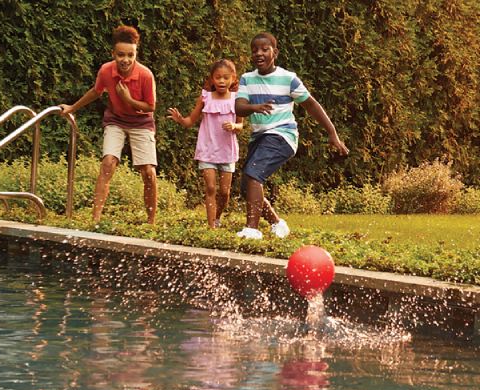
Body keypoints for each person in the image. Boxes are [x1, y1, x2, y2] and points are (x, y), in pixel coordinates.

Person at [235, 33, 349, 240]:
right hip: (259, 138)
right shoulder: (247, 79)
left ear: (274, 53)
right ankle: (278, 224)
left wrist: (332, 133)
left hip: (282, 136)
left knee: (253, 174)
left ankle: (252, 230)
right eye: (254, 50)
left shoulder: (289, 79)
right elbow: (239, 107)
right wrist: (255, 107)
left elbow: (311, 105)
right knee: (247, 186)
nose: (259, 53)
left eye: (264, 49)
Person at [59, 26, 158, 224]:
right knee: (107, 163)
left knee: (148, 172)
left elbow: (150, 106)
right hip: (116, 120)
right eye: (121, 54)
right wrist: (72, 107)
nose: (126, 60)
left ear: (136, 52)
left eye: (131, 55)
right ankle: (95, 221)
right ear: (113, 53)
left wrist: (128, 99)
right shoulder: (106, 70)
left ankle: (151, 224)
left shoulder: (145, 75)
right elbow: (96, 92)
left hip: (141, 122)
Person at [167, 59, 243, 230]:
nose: (221, 81)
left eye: (225, 78)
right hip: (207, 149)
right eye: (217, 77)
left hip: (227, 151)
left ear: (233, 78)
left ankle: (218, 216)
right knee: (210, 188)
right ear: (212, 78)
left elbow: (241, 126)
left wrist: (234, 126)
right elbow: (190, 121)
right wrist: (180, 119)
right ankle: (211, 228)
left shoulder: (237, 99)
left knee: (224, 193)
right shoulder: (205, 97)